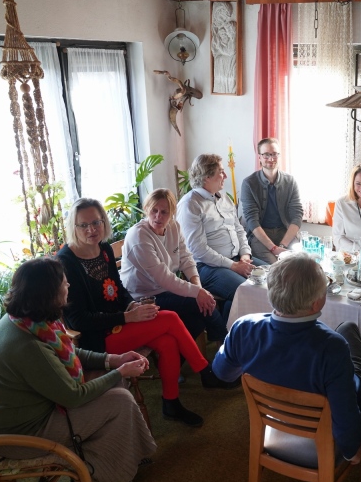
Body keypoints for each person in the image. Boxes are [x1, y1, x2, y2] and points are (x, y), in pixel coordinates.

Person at [0, 258, 156, 482]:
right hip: (19, 434)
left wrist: (113, 360)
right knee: (120, 399)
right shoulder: (28, 345)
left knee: (110, 384)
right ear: (48, 293)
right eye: (63, 281)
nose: (68, 284)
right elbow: (73, 396)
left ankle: (108, 462)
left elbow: (69, 352)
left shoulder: (26, 320)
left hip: (21, 412)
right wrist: (121, 371)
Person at [57, 198, 232, 430]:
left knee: (168, 340)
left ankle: (171, 403)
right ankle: (205, 371)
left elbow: (119, 290)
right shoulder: (66, 261)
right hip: (96, 339)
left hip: (121, 323)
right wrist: (127, 317)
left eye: (96, 222)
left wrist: (131, 307)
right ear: (73, 227)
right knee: (169, 318)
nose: (91, 229)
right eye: (84, 225)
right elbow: (78, 320)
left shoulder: (104, 249)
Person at [212, 253, 361, 463]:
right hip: (318, 432)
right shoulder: (332, 346)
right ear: (316, 303)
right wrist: (351, 451)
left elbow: (222, 372)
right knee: (354, 357)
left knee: (346, 333)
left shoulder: (243, 327)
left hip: (274, 418)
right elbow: (345, 414)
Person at [120, 188, 228, 344]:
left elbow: (186, 258)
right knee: (203, 305)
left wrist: (198, 287)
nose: (158, 216)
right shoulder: (138, 236)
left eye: (164, 212)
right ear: (146, 209)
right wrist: (198, 293)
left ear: (172, 213)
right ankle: (228, 350)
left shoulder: (173, 226)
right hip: (143, 297)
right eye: (154, 210)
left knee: (198, 318)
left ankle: (205, 356)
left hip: (165, 290)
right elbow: (164, 278)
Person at [177, 154, 267, 322]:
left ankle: (231, 327)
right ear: (207, 176)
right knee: (250, 291)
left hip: (236, 259)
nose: (225, 176)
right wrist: (234, 266)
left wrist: (245, 256)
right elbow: (198, 250)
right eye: (221, 171)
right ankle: (232, 338)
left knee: (275, 275)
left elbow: (239, 229)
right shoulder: (190, 204)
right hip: (207, 267)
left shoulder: (223, 197)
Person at [240, 137, 303, 263]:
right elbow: (252, 221)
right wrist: (273, 248)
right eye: (266, 155)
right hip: (260, 235)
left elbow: (297, 215)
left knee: (298, 264)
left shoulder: (290, 181)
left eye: (274, 154)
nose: (271, 158)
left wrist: (283, 245)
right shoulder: (249, 183)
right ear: (259, 157)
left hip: (285, 233)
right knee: (275, 266)